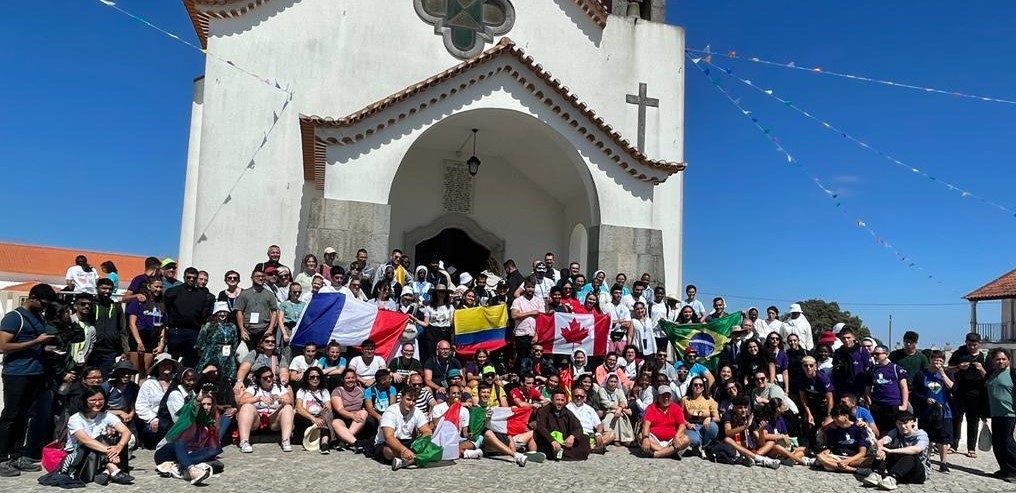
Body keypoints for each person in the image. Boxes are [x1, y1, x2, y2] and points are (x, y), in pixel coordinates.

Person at [0, 284, 57, 476]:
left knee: (24, 416)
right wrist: (36, 342)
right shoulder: (15, 317)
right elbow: (3, 346)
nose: (45, 307)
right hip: (16, 373)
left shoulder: (38, 317)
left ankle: (17, 455)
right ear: (32, 298)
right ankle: (2, 457)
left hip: (35, 373)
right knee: (10, 416)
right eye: (43, 303)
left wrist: (45, 348)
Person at [57, 387, 134, 485]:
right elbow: (86, 441)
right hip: (80, 453)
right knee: (100, 439)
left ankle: (106, 471)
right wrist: (111, 452)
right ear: (85, 401)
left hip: (100, 452)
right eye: (93, 400)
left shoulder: (106, 415)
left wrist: (119, 446)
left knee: (117, 439)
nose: (97, 403)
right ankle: (112, 468)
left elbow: (126, 432)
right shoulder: (76, 418)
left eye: (100, 400)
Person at [153, 392, 219, 485]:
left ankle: (177, 466)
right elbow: (190, 410)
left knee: (214, 452)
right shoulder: (187, 420)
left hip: (185, 455)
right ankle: (192, 470)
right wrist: (197, 401)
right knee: (180, 442)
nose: (205, 407)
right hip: (165, 452)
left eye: (209, 404)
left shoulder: (206, 426)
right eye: (203, 404)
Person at [861, 412, 931, 490]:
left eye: (905, 423)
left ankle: (892, 479)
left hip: (917, 473)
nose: (903, 426)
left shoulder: (921, 434)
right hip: (901, 469)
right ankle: (877, 473)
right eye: (899, 424)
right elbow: (882, 441)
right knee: (885, 447)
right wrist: (880, 449)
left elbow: (917, 449)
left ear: (912, 422)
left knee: (910, 453)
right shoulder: (896, 431)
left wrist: (891, 451)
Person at [236, 366, 295, 453]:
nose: (269, 379)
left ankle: (286, 440)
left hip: (274, 420)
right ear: (260, 380)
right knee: (246, 406)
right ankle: (244, 441)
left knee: (287, 407)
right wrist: (258, 398)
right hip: (257, 420)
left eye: (271, 376)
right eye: (265, 378)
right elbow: (242, 401)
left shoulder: (279, 388)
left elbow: (289, 400)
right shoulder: (253, 388)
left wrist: (280, 399)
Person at [912, 350, 953, 473]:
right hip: (926, 410)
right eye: (935, 360)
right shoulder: (921, 374)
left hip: (943, 410)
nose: (937, 363)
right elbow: (916, 391)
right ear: (930, 360)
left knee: (943, 437)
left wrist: (942, 374)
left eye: (940, 360)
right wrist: (925, 399)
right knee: (927, 436)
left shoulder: (948, 373)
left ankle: (943, 463)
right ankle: (926, 460)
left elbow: (952, 387)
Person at [374, 387, 433, 471]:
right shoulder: (390, 412)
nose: (411, 403)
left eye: (414, 401)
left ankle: (404, 461)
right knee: (388, 451)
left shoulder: (416, 411)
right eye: (408, 399)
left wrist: (421, 443)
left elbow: (427, 431)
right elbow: (389, 437)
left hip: (407, 441)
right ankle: (413, 459)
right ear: (401, 398)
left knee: (430, 446)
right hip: (387, 443)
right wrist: (404, 450)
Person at [947, 332, 987, 457]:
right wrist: (959, 367)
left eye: (974, 345)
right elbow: (949, 369)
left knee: (973, 420)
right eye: (969, 345)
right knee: (956, 419)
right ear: (966, 343)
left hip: (976, 393)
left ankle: (971, 448)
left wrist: (980, 368)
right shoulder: (959, 353)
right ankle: (953, 445)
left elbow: (988, 376)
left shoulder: (985, 356)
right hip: (959, 391)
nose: (972, 347)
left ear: (979, 344)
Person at [163, 267, 212, 368]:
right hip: (175, 331)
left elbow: (204, 314)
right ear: (184, 277)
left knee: (190, 361)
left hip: (193, 332)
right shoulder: (173, 292)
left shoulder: (202, 295)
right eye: (189, 277)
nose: (191, 279)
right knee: (171, 360)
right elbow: (165, 309)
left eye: (194, 278)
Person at [530, 389, 590, 461]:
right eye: (557, 400)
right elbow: (541, 428)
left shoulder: (566, 412)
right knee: (547, 444)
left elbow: (578, 426)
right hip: (549, 441)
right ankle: (566, 454)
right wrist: (552, 441)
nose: (560, 402)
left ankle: (562, 454)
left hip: (564, 440)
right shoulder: (543, 411)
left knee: (585, 438)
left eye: (562, 400)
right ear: (552, 400)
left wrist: (572, 436)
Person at [985, 348, 1016, 483]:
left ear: (1009, 360)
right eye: (998, 359)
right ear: (993, 361)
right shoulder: (991, 374)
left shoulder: (1013, 374)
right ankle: (1004, 469)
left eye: (1003, 359)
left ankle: (1013, 471)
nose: (1001, 361)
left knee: (1007, 442)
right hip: (996, 414)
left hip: (1010, 414)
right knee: (997, 443)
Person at [135, 354, 179, 449]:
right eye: (163, 364)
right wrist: (152, 419)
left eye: (169, 364)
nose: (166, 366)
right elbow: (140, 406)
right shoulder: (148, 384)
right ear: (157, 367)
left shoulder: (178, 383)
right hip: (155, 420)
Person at [865, 345, 909, 436]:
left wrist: (904, 405)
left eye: (878, 354)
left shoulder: (896, 368)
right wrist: (870, 404)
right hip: (878, 405)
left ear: (886, 354)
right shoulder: (872, 369)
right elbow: (867, 388)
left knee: (894, 432)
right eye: (874, 354)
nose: (875, 356)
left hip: (893, 405)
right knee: (879, 432)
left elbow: (904, 387)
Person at [815, 404, 871, 474]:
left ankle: (833, 465)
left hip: (854, 458)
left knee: (869, 460)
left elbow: (862, 452)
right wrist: (827, 451)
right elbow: (832, 447)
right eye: (833, 417)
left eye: (837, 417)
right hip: (838, 456)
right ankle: (855, 470)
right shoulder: (833, 429)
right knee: (820, 457)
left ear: (846, 416)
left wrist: (848, 461)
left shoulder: (859, 428)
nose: (835, 420)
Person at [126, 277, 163, 377]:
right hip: (138, 336)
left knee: (146, 371)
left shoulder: (161, 303)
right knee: (134, 370)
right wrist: (139, 342)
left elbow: (163, 325)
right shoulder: (138, 302)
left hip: (152, 337)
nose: (158, 289)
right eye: (156, 286)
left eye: (160, 287)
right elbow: (132, 323)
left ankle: (142, 386)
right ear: (149, 286)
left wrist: (161, 343)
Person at [640, 385, 691, 459]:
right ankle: (669, 452)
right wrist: (646, 437)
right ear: (658, 397)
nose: (666, 398)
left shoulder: (676, 408)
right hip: (655, 440)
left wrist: (676, 436)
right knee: (641, 437)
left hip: (672, 441)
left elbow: (682, 425)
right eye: (663, 396)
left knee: (686, 439)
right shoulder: (651, 407)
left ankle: (657, 454)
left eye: (668, 396)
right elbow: (646, 424)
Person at [88, 279, 125, 377]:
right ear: (97, 288)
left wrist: (125, 350)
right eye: (104, 288)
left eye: (110, 289)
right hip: (92, 350)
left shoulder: (116, 306)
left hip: (110, 351)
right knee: (90, 377)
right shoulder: (90, 305)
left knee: (105, 379)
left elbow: (122, 329)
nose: (107, 291)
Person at [233, 268, 279, 346]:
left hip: (264, 330)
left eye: (262, 276)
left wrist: (270, 329)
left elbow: (274, 312)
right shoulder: (244, 294)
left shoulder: (269, 294)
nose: (260, 278)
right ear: (252, 278)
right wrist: (242, 330)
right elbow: (239, 312)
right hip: (248, 330)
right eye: (257, 276)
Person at [797, 356, 835, 446]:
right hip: (811, 403)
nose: (808, 368)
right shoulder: (801, 379)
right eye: (805, 366)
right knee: (808, 422)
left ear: (815, 366)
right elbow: (803, 398)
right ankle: (811, 444)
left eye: (811, 365)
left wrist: (829, 415)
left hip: (824, 404)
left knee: (826, 425)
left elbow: (830, 398)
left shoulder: (822, 378)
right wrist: (808, 413)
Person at [195, 302, 239, 380]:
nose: (222, 314)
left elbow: (235, 342)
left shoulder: (232, 326)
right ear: (215, 313)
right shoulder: (208, 326)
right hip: (211, 355)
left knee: (227, 377)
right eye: (220, 312)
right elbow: (200, 343)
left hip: (227, 356)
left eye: (224, 312)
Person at [294, 367, 333, 454]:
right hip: (307, 417)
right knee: (298, 416)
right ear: (307, 379)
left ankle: (324, 443)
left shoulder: (324, 391)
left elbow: (328, 408)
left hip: (321, 416)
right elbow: (299, 408)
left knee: (327, 416)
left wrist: (320, 418)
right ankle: (323, 441)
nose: (315, 379)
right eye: (312, 377)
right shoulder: (302, 391)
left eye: (317, 377)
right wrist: (314, 419)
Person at [330, 369, 370, 450]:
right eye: (348, 378)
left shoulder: (361, 390)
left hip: (357, 420)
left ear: (356, 378)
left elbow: (365, 405)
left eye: (352, 377)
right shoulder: (337, 391)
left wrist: (356, 415)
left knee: (364, 412)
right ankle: (355, 443)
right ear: (343, 379)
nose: (350, 380)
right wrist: (352, 415)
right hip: (343, 417)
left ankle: (344, 441)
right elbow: (339, 409)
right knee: (335, 423)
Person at [566, 384, 613, 452]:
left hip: (591, 435)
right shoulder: (567, 408)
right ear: (572, 396)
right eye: (576, 396)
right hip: (577, 435)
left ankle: (589, 447)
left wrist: (598, 433)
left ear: (585, 396)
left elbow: (599, 425)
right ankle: (592, 447)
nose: (579, 398)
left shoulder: (589, 409)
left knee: (611, 434)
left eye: (581, 396)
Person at [511, 278, 544, 370]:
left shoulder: (539, 301)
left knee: (533, 359)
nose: (530, 289)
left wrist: (536, 334)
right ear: (524, 287)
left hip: (533, 334)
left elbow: (541, 319)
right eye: (528, 287)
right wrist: (530, 313)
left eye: (532, 287)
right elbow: (514, 315)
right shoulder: (518, 301)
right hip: (521, 334)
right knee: (521, 358)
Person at [682, 376, 720, 452]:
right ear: (691, 387)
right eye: (695, 385)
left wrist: (710, 418)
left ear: (703, 387)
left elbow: (717, 418)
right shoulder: (685, 400)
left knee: (713, 427)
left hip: (705, 426)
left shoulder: (709, 400)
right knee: (695, 440)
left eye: (701, 385)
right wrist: (687, 424)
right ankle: (698, 445)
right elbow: (680, 416)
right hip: (691, 427)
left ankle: (704, 447)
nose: (698, 386)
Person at [831, 327, 870, 399]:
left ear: (853, 337)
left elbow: (869, 369)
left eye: (848, 338)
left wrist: (867, 389)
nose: (846, 340)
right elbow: (835, 371)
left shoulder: (862, 350)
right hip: (843, 389)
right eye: (843, 338)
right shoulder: (838, 352)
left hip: (860, 389)